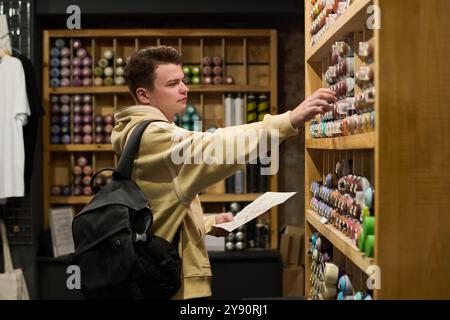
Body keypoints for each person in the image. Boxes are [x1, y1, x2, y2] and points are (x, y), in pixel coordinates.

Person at [111, 46, 335, 300]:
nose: (185, 88)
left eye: (183, 80)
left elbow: (156, 207)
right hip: (173, 285)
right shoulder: (153, 135)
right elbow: (215, 147)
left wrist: (205, 224)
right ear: (144, 95)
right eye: (173, 83)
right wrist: (289, 120)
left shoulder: (138, 132)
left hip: (164, 276)